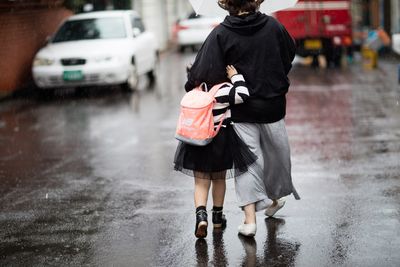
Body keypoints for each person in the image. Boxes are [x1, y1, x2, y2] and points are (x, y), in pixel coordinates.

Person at [184, 0, 300, 237]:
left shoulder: (221, 34)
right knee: (276, 156)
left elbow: (203, 71)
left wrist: (193, 82)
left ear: (227, 4)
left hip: (242, 109)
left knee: (248, 162)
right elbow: (289, 53)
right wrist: (273, 75)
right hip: (273, 105)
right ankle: (276, 196)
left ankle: (250, 221)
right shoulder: (274, 27)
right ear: (257, 1)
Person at [174, 65, 256, 238]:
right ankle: (217, 218)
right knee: (219, 180)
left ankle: (201, 217)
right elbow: (243, 94)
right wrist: (235, 76)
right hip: (220, 141)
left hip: (196, 142)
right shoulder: (223, 90)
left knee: (200, 183)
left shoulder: (196, 91)